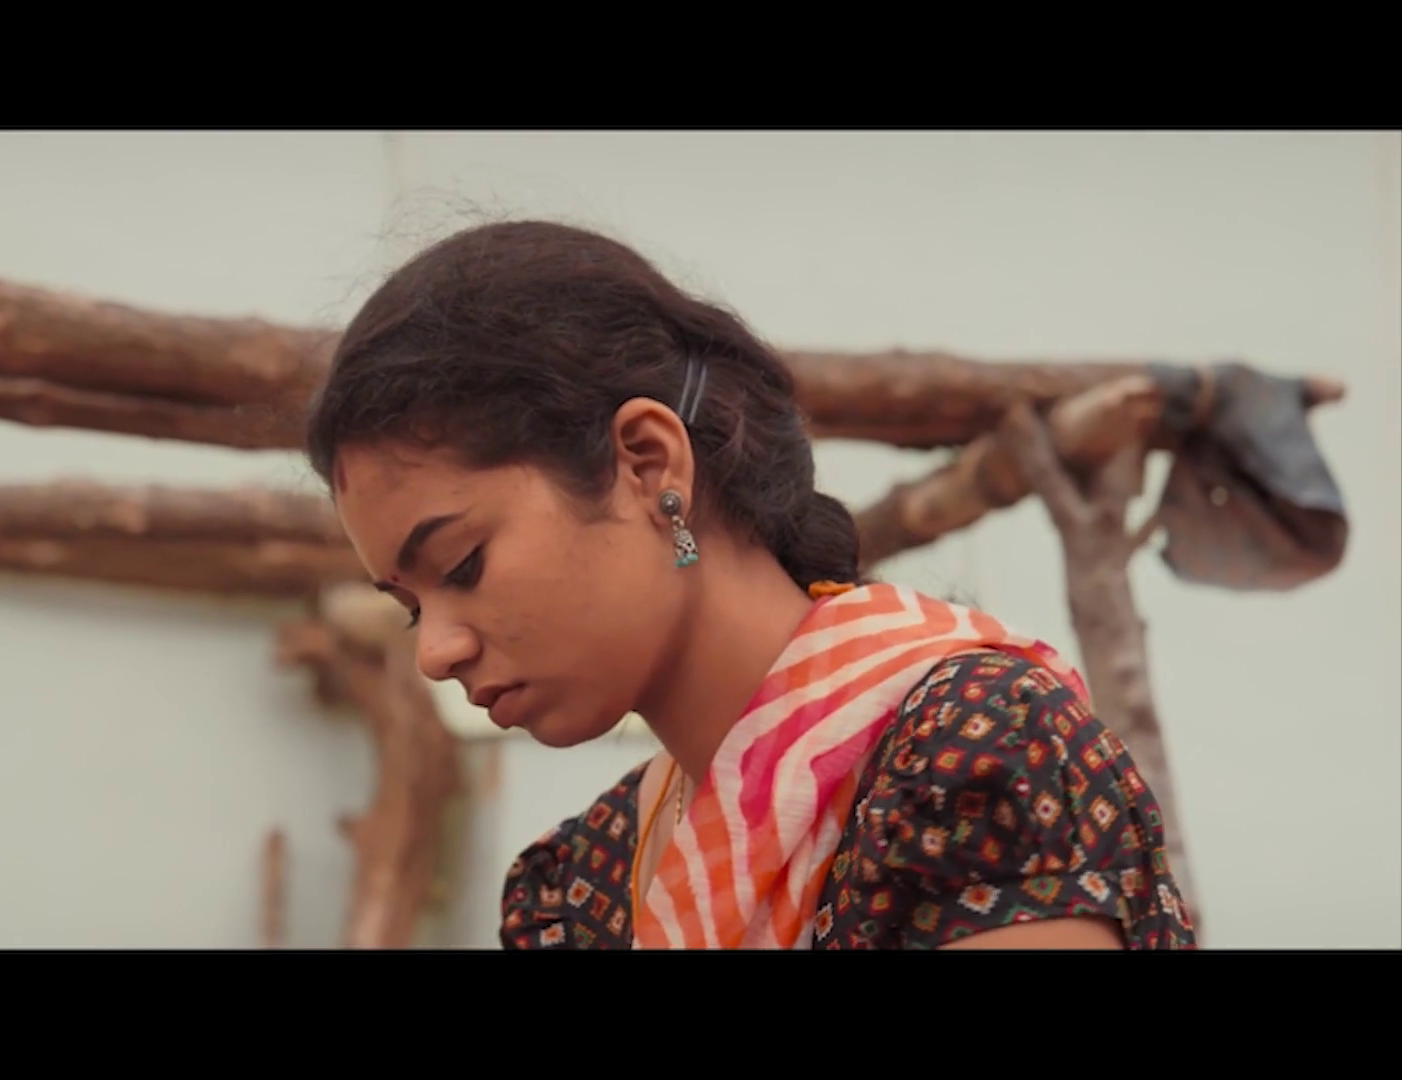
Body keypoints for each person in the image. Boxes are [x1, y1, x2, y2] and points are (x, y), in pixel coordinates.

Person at [303, 219, 1196, 950]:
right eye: (411, 608)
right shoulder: (579, 890)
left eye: (462, 564)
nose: (434, 652)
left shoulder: (973, 761)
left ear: (648, 463)